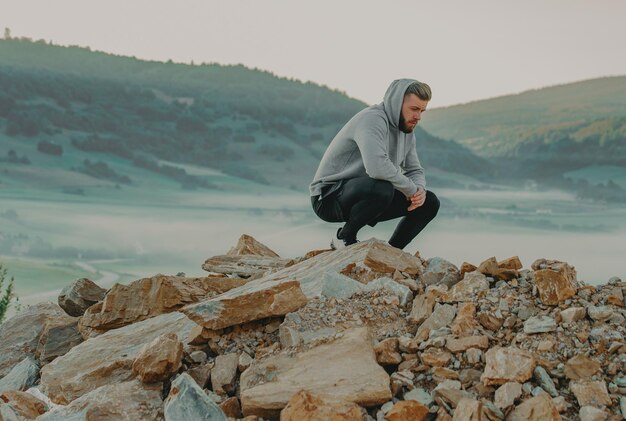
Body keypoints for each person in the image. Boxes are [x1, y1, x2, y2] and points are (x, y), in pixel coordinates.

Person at [309, 78, 440, 250]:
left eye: (422, 111)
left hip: (368, 193)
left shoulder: (406, 130)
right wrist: (411, 189)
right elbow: (377, 167)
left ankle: (391, 252)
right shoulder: (372, 119)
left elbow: (414, 169)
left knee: (429, 202)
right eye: (414, 109)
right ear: (396, 103)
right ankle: (343, 238)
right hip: (329, 197)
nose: (418, 117)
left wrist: (419, 190)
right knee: (382, 187)